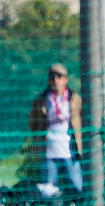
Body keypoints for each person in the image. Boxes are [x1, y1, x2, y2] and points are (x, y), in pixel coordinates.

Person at [28, 63, 84, 193]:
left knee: (77, 187)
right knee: (49, 190)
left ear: (66, 79)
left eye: (59, 76)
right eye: (52, 77)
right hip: (49, 153)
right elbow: (33, 124)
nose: (56, 80)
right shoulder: (41, 100)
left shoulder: (75, 99)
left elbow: (82, 120)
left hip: (71, 152)